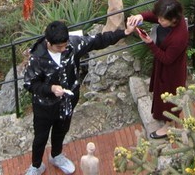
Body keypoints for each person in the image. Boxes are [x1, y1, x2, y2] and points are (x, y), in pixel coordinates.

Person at [22, 19, 133, 175]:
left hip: (67, 101)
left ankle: (56, 155)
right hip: (45, 106)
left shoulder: (72, 45)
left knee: (61, 130)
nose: (63, 49)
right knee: (40, 137)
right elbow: (29, 84)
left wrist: (124, 32)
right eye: (59, 47)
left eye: (65, 45)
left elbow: (98, 40)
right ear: (48, 42)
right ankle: (36, 165)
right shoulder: (37, 58)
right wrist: (50, 88)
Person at [126, 0, 189, 139]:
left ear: (173, 20)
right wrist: (140, 16)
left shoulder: (179, 37)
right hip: (165, 68)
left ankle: (169, 126)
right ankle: (163, 117)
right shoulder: (171, 20)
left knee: (169, 96)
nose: (159, 21)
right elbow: (155, 16)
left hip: (172, 72)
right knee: (162, 93)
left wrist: (149, 43)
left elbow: (166, 59)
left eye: (162, 20)